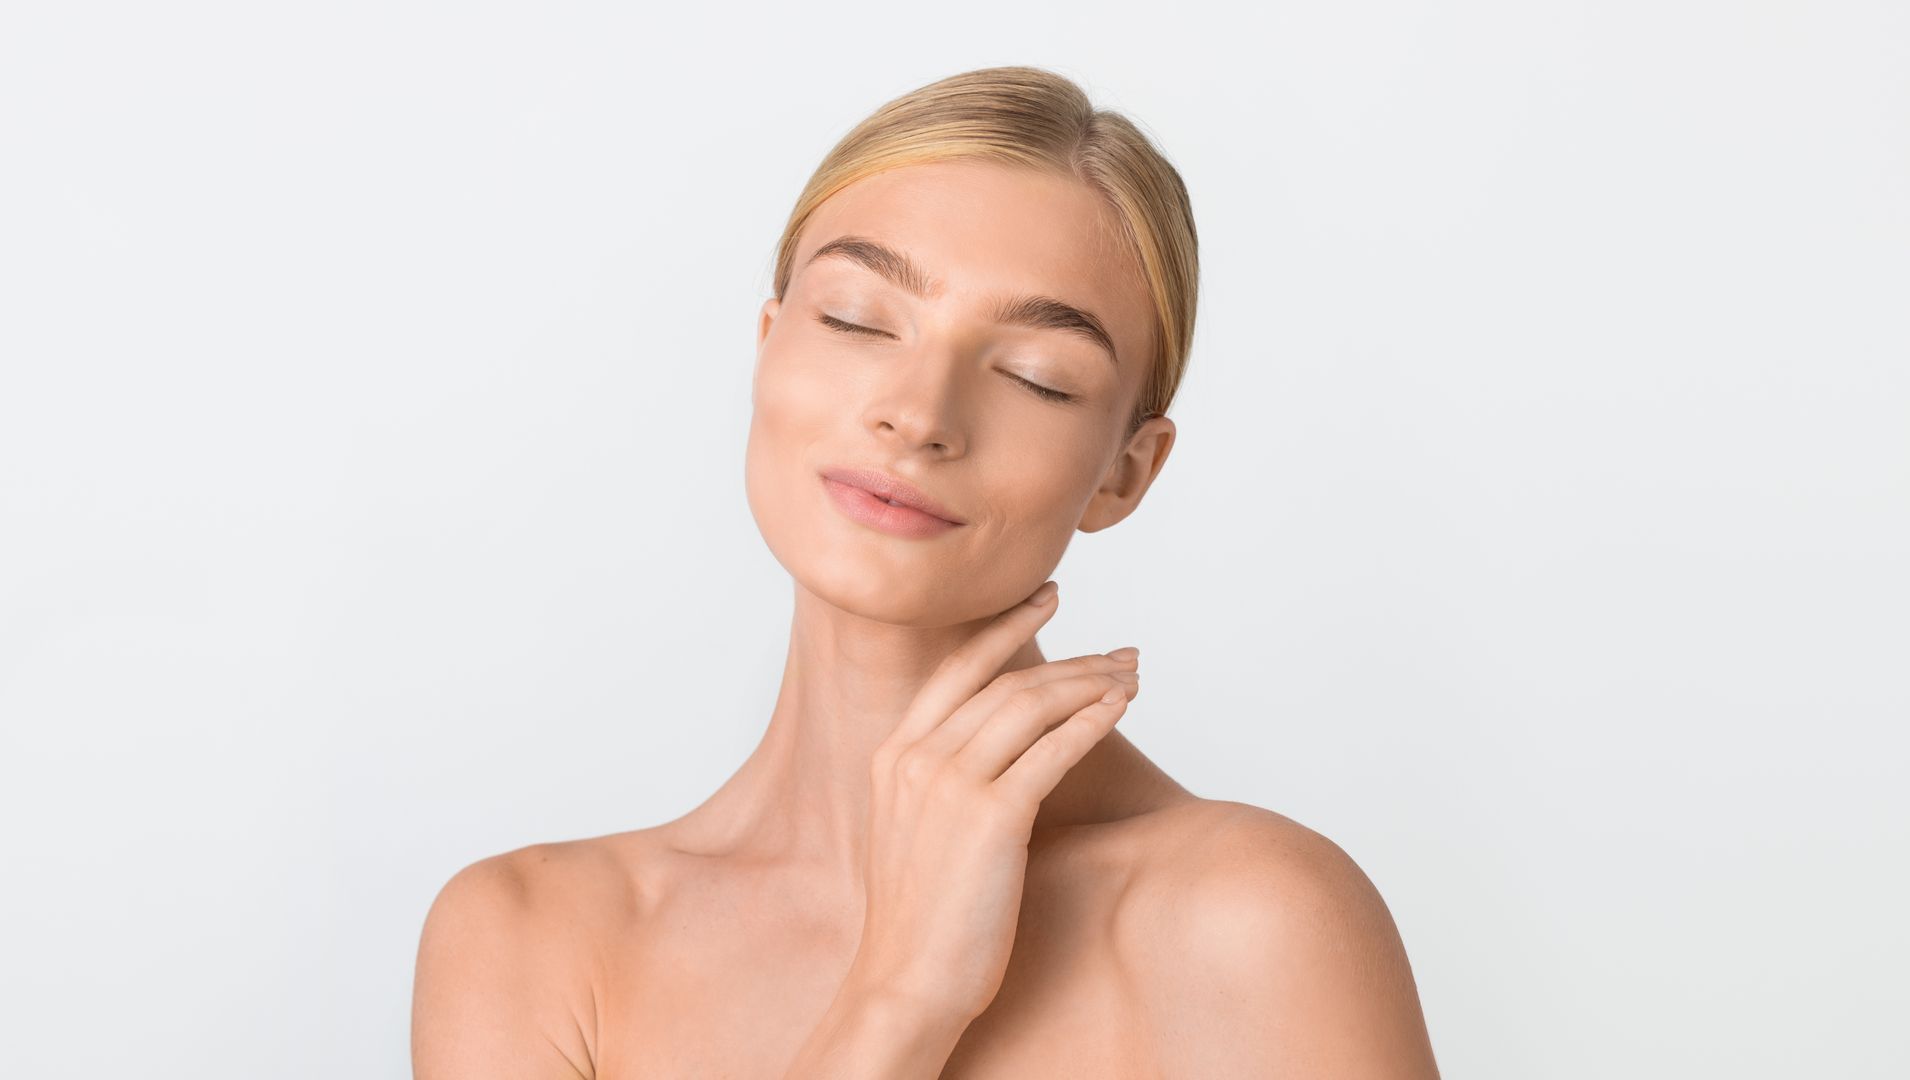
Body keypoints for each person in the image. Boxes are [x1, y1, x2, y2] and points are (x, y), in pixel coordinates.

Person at [411, 65, 1440, 1078]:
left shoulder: (1252, 925)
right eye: (858, 319)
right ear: (768, 348)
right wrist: (900, 997)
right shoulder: (528, 945)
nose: (920, 412)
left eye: (1037, 377)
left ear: (1124, 474)